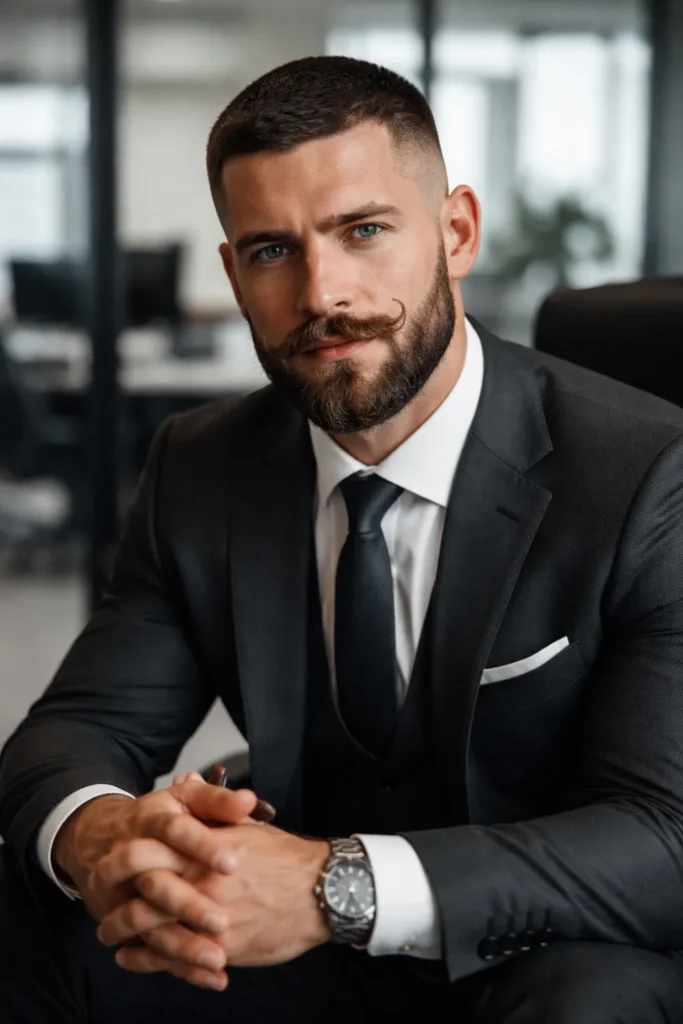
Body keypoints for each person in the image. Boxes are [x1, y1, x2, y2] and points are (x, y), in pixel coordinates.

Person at [2, 55, 683, 1024]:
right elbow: (74, 732)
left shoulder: (648, 472)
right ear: (235, 275)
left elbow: (664, 838)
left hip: (543, 941)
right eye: (274, 250)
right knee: (33, 916)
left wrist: (336, 886)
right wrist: (107, 834)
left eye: (362, 231)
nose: (324, 291)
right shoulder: (202, 468)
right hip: (288, 952)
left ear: (455, 233)